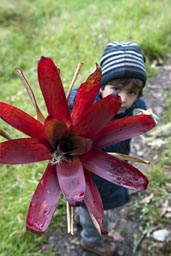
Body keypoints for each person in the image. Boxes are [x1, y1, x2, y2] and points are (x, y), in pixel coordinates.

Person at [68, 41, 147, 256]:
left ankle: (83, 222)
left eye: (132, 92)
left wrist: (145, 119)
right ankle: (90, 240)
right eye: (116, 89)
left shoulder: (133, 108)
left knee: (97, 205)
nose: (122, 99)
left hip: (112, 170)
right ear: (101, 86)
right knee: (91, 207)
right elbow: (71, 102)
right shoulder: (85, 104)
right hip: (86, 173)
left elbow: (143, 112)